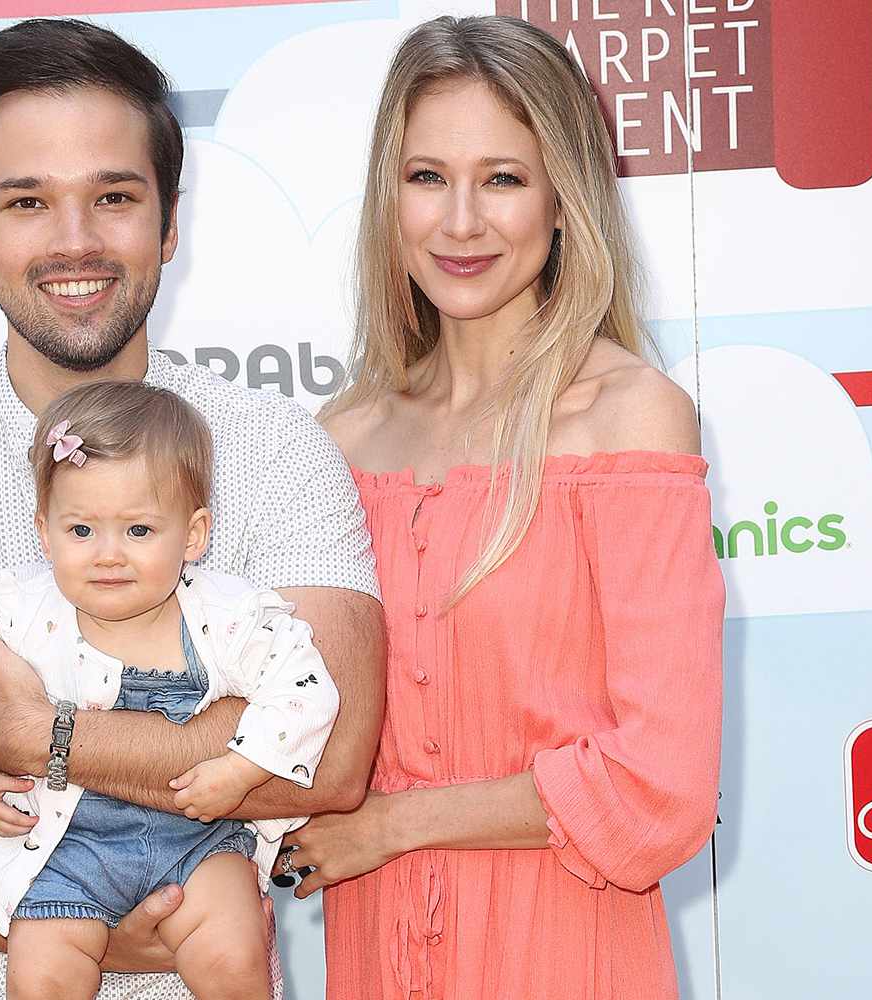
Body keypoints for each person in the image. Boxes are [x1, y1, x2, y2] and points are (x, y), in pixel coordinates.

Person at [0, 18, 384, 1000]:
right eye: (26, 201)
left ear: (169, 222)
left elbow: (334, 755)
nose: (76, 241)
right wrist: (63, 925)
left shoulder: (273, 451)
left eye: (114, 197)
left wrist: (40, 736)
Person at [281, 16, 725, 999]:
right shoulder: (339, 439)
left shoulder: (629, 417)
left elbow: (663, 784)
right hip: (376, 956)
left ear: (566, 199)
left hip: (567, 952)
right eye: (428, 176)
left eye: (505, 178)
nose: (462, 222)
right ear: (386, 200)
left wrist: (394, 824)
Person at [0, 381, 340, 1000]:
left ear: (193, 535)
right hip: (63, 848)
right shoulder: (17, 609)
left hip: (198, 843)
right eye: (81, 530)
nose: (108, 556)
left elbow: (305, 688)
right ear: (45, 529)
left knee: (233, 954)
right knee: (40, 977)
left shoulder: (229, 615)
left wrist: (244, 769)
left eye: (139, 531)